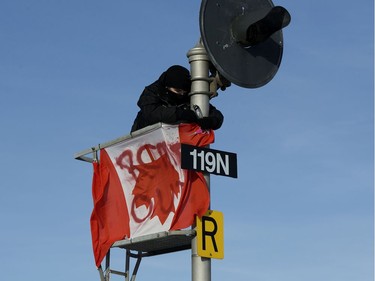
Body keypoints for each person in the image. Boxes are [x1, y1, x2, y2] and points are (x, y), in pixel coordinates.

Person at [131, 65, 224, 132]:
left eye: (184, 91)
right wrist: (179, 114)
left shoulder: (188, 96)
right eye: (178, 90)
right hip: (145, 143)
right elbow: (151, 113)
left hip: (175, 146)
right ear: (167, 87)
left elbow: (214, 113)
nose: (181, 94)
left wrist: (212, 120)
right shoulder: (152, 92)